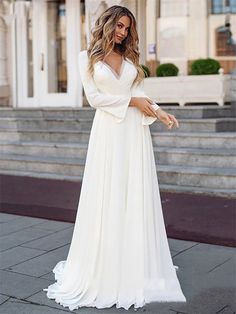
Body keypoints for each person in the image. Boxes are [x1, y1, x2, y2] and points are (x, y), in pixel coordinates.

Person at [43, 5, 186, 311]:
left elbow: (141, 92)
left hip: (134, 133)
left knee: (133, 192)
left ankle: (134, 264)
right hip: (109, 132)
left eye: (126, 28)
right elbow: (94, 98)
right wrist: (132, 101)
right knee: (109, 193)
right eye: (119, 26)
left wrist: (160, 112)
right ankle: (104, 267)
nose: (122, 33)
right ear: (107, 24)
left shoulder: (131, 57)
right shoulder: (87, 58)